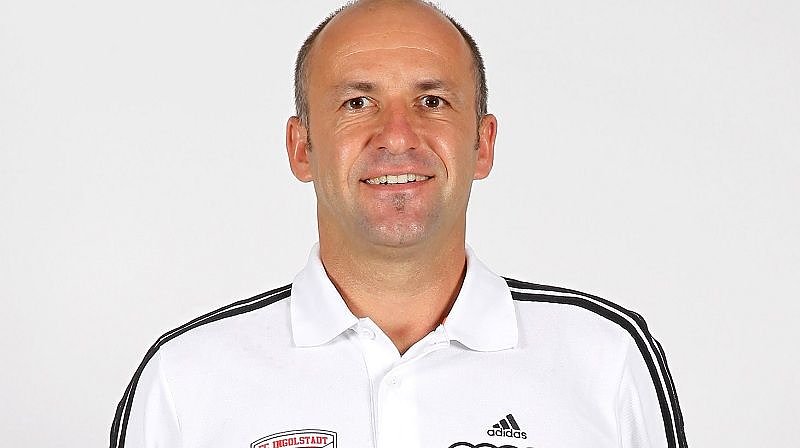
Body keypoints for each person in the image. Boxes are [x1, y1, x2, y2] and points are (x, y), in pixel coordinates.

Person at [110, 1, 687, 447]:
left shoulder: (605, 359)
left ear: (483, 144)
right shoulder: (185, 380)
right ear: (301, 148)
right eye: (357, 103)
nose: (397, 136)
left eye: (432, 101)